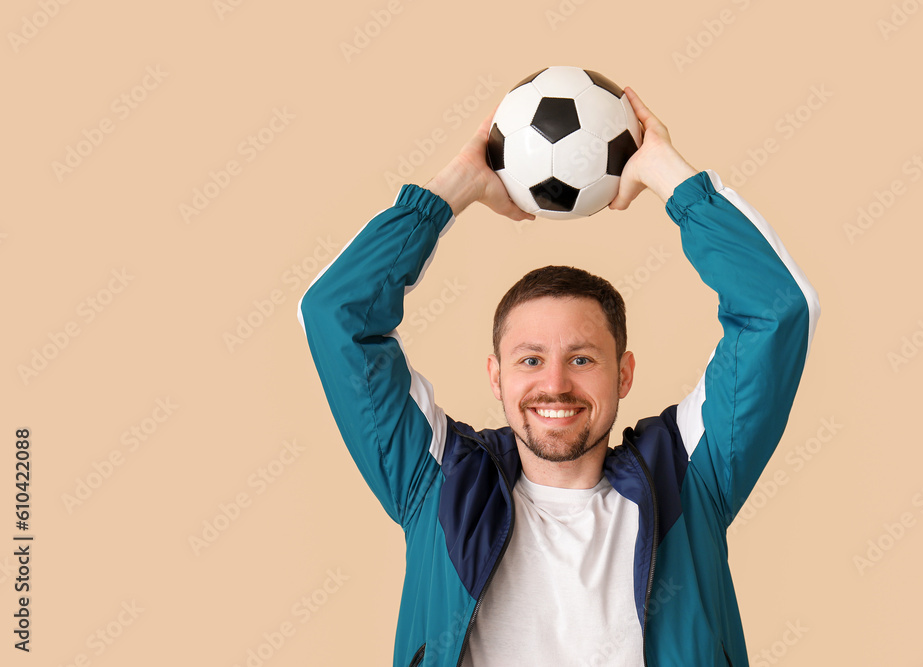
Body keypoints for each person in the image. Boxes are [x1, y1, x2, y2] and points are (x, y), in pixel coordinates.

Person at [297, 87, 820, 666]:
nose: (556, 384)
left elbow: (777, 310)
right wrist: (450, 191)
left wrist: (667, 176)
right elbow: (333, 314)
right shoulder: (438, 482)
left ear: (623, 373)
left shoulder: (689, 477)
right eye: (529, 359)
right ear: (495, 376)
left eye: (582, 358)